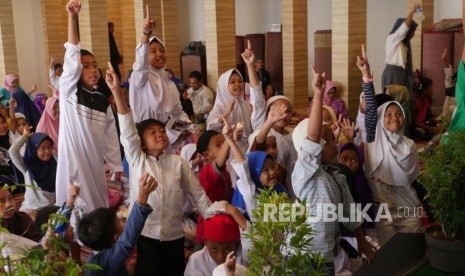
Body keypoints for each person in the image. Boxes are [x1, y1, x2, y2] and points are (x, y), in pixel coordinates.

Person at [106, 53, 212, 274]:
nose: (160, 135)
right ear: (142, 143)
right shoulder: (138, 160)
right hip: (147, 234)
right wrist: (117, 92)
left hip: (174, 235)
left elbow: (198, 194)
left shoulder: (177, 162)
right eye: (152, 133)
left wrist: (211, 222)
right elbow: (127, 131)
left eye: (162, 131)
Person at [292, 66, 376, 272]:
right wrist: (319, 96)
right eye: (326, 140)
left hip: (326, 253)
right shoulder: (304, 173)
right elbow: (312, 140)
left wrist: (363, 243)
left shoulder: (335, 174)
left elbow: (349, 211)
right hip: (303, 255)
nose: (333, 145)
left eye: (332, 139)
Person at [56, 0, 123, 224]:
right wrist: (72, 17)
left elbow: (111, 134)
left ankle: (98, 249)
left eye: (95, 65)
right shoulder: (69, 93)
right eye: (86, 66)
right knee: (75, 214)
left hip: (94, 163)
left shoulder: (102, 100)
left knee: (99, 209)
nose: (93, 70)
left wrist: (115, 165)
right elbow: (72, 55)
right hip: (74, 162)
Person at [358, 44, 422, 245]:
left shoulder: (409, 145)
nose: (394, 117)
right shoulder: (374, 139)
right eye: (388, 114)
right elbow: (369, 113)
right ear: (380, 119)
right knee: (389, 252)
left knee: (411, 249)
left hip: (408, 206)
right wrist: (366, 76)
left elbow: (413, 181)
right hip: (382, 207)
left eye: (398, 114)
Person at [78, 172, 157, 276]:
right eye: (119, 221)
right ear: (116, 238)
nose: (122, 221)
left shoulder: (91, 261)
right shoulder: (110, 260)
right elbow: (128, 239)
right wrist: (142, 198)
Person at [129, 7, 189, 133]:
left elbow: (178, 113)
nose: (160, 54)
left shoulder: (169, 83)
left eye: (162, 51)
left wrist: (189, 129)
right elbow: (141, 64)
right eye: (153, 51)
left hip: (163, 136)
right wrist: (146, 33)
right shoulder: (140, 78)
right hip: (144, 134)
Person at [207, 41, 266, 152]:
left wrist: (250, 65)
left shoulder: (244, 104)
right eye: (232, 82)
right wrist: (226, 113)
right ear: (224, 86)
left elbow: (253, 120)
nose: (238, 84)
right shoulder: (221, 106)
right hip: (227, 149)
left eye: (240, 81)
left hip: (246, 147)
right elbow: (210, 126)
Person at [381, 3, 421, 128]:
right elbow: (403, 29)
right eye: (412, 32)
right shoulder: (393, 39)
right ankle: (391, 129)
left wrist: (414, 76)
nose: (412, 35)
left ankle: (402, 130)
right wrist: (412, 11)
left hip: (400, 74)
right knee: (393, 104)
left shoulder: (403, 45)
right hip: (393, 73)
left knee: (402, 105)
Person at [247, 97, 296, 196]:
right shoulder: (251, 191)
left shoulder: (279, 171)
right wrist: (270, 122)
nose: (283, 115)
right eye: (278, 110)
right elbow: (258, 146)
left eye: (288, 111)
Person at [195, 129, 234, 249]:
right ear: (207, 155)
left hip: (221, 226)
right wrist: (229, 139)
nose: (224, 146)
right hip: (207, 231)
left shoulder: (225, 171)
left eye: (224, 142)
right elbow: (219, 163)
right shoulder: (206, 172)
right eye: (219, 145)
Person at [184, 210, 247, 276]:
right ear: (205, 241)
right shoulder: (196, 260)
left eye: (227, 250)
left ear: (237, 244)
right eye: (214, 249)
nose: (220, 257)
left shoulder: (243, 258)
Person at [9, 128, 56, 216]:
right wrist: (25, 137)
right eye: (43, 148)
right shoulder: (27, 167)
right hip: (32, 209)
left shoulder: (55, 164)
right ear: (34, 149)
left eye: (50, 147)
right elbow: (12, 152)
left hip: (52, 209)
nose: (47, 151)